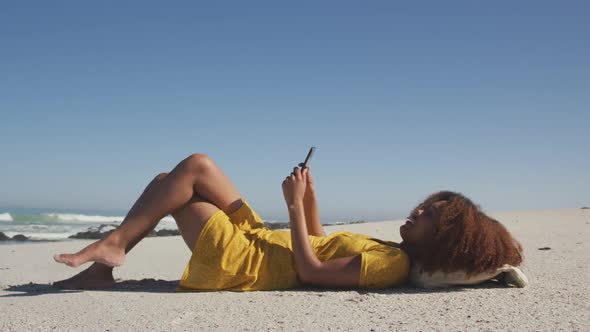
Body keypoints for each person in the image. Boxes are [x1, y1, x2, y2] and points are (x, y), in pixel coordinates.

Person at [52, 153, 524, 291]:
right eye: (424, 206)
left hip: (244, 262)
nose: (417, 212)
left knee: (183, 176)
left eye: (428, 217)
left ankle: (110, 251)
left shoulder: (393, 268)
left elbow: (311, 272)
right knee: (181, 172)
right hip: (259, 239)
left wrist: (294, 207)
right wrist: (312, 200)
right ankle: (104, 263)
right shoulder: (389, 249)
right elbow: (320, 243)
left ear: (441, 238)